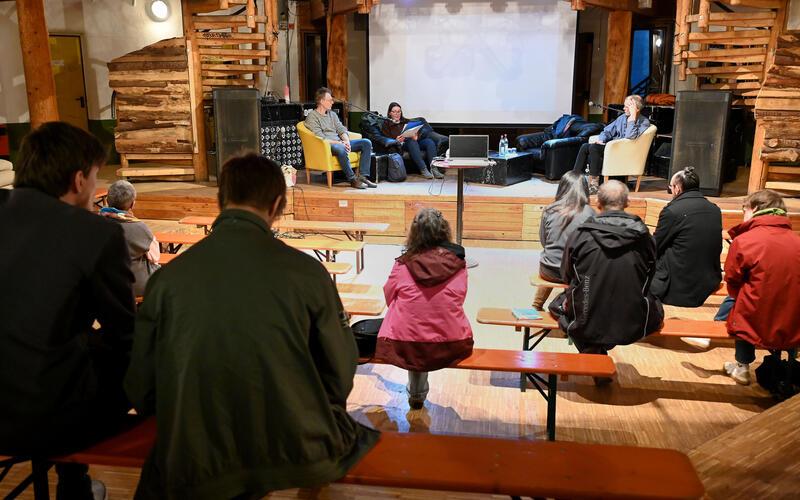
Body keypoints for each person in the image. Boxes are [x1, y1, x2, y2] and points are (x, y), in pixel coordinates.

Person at [125, 154, 379, 499]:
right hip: (292, 442)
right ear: (276, 205)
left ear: (221, 201)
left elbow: (141, 382)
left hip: (196, 451)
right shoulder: (307, 273)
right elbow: (340, 368)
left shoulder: (167, 280)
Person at [0, 122, 136, 500]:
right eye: (95, 177)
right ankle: (74, 487)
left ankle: (75, 482)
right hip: (48, 418)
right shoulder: (96, 233)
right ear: (78, 180)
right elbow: (124, 332)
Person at [552, 181, 663, 384]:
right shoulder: (645, 238)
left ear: (597, 203)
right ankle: (597, 352)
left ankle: (593, 351)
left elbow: (566, 276)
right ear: (627, 203)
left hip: (587, 316)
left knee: (558, 306)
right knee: (654, 305)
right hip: (631, 320)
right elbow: (649, 278)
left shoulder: (580, 235)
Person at [376, 208, 473, 409]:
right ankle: (417, 394)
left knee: (410, 325)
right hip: (451, 343)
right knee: (427, 324)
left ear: (414, 233)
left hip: (403, 343)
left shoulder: (402, 264)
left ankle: (416, 394)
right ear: (445, 231)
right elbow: (460, 298)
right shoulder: (459, 264)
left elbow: (388, 296)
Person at [721, 190, 800, 385]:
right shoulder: (797, 241)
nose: (743, 215)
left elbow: (732, 279)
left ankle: (742, 366)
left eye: (744, 210)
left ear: (755, 209)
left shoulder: (744, 240)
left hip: (755, 318)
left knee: (743, 305)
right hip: (793, 319)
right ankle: (790, 365)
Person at [652, 166, 723, 307]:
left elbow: (656, 245)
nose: (671, 190)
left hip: (680, 284)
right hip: (708, 280)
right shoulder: (715, 209)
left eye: (671, 187)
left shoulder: (672, 211)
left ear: (677, 188)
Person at [533, 171, 595, 310]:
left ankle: (536, 305)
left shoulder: (549, 209)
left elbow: (544, 241)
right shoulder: (590, 213)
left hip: (547, 269)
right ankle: (571, 306)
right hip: (573, 273)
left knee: (556, 258)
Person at [572, 94, 651, 194]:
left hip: (624, 151)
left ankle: (594, 185)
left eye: (627, 106)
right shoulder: (622, 118)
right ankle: (574, 180)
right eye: (624, 106)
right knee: (585, 146)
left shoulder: (644, 122)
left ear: (636, 108)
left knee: (594, 148)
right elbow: (607, 131)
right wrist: (602, 139)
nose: (624, 108)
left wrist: (632, 118)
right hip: (612, 148)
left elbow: (630, 136)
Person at [305, 87, 376, 189]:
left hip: (339, 143)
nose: (332, 102)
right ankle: (352, 179)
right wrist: (340, 143)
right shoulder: (313, 116)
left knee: (366, 142)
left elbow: (341, 129)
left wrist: (346, 141)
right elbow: (320, 137)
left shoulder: (332, 114)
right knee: (341, 148)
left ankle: (362, 177)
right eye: (330, 100)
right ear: (321, 101)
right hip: (326, 145)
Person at [101, 180, 161, 296]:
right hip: (133, 284)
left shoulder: (95, 224)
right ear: (132, 204)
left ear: (107, 201)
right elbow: (155, 257)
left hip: (104, 283)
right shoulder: (139, 227)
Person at [381, 102, 443, 179]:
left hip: (413, 141)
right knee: (411, 142)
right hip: (401, 144)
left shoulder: (406, 121)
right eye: (394, 112)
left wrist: (416, 136)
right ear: (390, 113)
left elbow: (415, 132)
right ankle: (423, 169)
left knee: (429, 142)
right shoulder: (386, 124)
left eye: (399, 111)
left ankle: (434, 169)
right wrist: (395, 140)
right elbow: (386, 138)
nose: (397, 114)